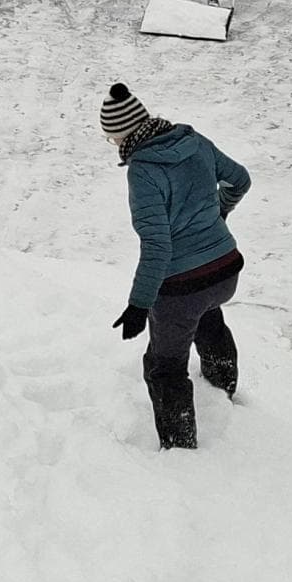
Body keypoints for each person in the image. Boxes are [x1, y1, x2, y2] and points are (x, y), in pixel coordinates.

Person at [100, 81, 249, 450]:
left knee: (164, 365)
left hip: (184, 287)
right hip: (226, 269)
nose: (115, 146)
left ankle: (181, 451)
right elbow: (240, 179)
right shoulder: (194, 141)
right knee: (208, 317)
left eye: (112, 138)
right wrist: (219, 211)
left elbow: (157, 246)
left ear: (125, 133)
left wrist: (138, 305)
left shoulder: (143, 171)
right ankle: (224, 390)